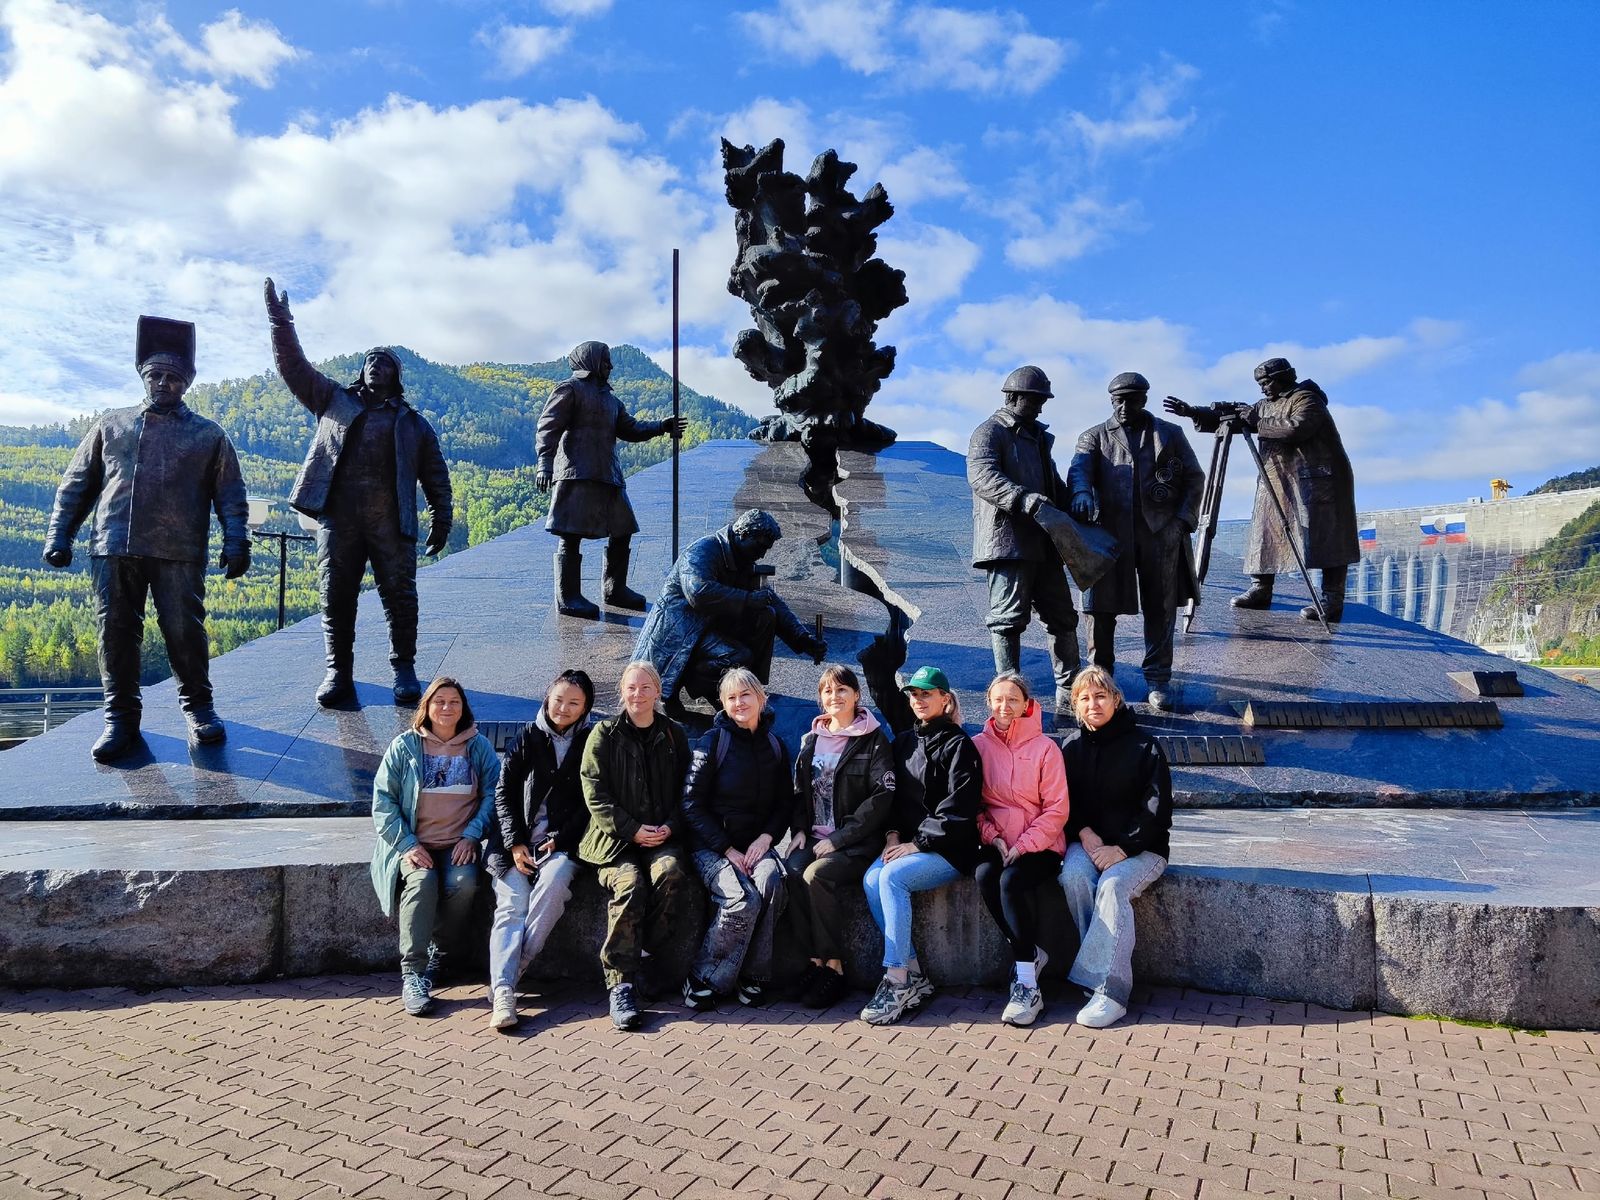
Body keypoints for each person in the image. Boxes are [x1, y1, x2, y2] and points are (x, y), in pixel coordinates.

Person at [43, 316, 249, 762]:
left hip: (179, 549)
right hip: (113, 544)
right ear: (143, 377)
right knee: (115, 634)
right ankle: (120, 718)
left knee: (184, 631)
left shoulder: (209, 435)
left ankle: (199, 708)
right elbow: (77, 483)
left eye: (172, 377)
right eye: (155, 375)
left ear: (186, 383)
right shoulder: (111, 424)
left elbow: (231, 494)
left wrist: (237, 541)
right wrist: (60, 533)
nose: (162, 383)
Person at [263, 278, 453, 707]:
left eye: (384, 363)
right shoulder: (333, 400)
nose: (375, 366)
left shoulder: (413, 424)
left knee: (400, 597)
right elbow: (293, 367)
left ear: (397, 376)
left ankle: (404, 668)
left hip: (391, 520)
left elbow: (436, 477)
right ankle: (338, 671)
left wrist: (442, 517)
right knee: (335, 595)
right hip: (340, 518)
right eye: (370, 361)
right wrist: (280, 322)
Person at [1163, 357, 1358, 621]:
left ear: (1285, 377)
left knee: (1326, 536)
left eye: (1267, 382)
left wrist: (1257, 419)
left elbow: (1296, 429)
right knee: (1265, 529)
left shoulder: (1307, 399)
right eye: (1260, 384)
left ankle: (1332, 600)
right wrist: (1192, 412)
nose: (1263, 388)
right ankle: (1261, 588)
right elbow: (1235, 418)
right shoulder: (1266, 404)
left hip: (1318, 479)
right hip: (1276, 478)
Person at [1068, 372, 1204, 711]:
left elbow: (1194, 477)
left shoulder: (1169, 433)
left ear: (1144, 399)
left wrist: (1181, 521)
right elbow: (1079, 470)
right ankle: (1100, 679)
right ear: (1111, 401)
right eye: (1119, 400)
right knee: (1099, 608)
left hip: (1159, 532)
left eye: (1131, 399)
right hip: (1109, 533)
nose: (1124, 406)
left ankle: (1158, 679)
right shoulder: (1094, 436)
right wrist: (1081, 492)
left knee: (1161, 607)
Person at [370, 677, 500, 1017]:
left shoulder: (478, 747)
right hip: (415, 845)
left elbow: (493, 794)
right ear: (426, 707)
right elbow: (383, 801)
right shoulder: (404, 746)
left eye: (454, 702)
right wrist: (407, 844)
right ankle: (413, 974)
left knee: (463, 884)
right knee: (422, 883)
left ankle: (439, 953)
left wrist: (472, 834)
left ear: (463, 707)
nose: (446, 708)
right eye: (439, 701)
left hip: (459, 845)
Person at [860, 666, 982, 1026]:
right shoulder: (903, 742)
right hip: (907, 846)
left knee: (891, 878)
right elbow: (893, 802)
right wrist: (893, 835)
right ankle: (914, 973)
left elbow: (959, 810)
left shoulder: (961, 746)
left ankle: (896, 980)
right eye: (914, 694)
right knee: (872, 880)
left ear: (945, 699)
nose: (918, 700)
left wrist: (918, 843)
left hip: (949, 850)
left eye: (926, 694)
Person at [578, 660, 695, 1031]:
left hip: (662, 836)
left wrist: (670, 826)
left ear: (658, 691)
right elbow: (594, 792)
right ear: (622, 692)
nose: (638, 694)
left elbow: (688, 791)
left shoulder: (674, 734)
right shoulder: (604, 733)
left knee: (672, 874)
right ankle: (621, 983)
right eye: (631, 687)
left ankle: (643, 952)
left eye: (646, 687)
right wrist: (631, 830)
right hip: (614, 841)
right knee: (629, 884)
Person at [535, 341, 688, 617]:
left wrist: (661, 427)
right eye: (605, 360)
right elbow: (548, 427)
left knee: (622, 529)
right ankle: (568, 596)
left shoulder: (611, 400)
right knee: (570, 535)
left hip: (608, 474)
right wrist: (544, 464)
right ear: (591, 361)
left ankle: (614, 588)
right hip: (576, 474)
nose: (610, 366)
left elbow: (630, 429)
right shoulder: (569, 389)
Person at [1058, 665, 1173, 1028]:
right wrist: (1084, 832)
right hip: (1089, 843)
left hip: (1142, 849)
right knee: (1074, 876)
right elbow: (1062, 802)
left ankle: (1112, 992)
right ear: (1076, 705)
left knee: (1111, 886)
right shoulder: (1071, 747)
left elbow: (1156, 810)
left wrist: (1121, 849)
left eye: (1100, 696)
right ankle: (1094, 975)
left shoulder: (1145, 747)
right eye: (1084, 698)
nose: (1093, 704)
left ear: (1116, 700)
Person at [483, 669, 597, 1031]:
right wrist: (516, 842)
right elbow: (504, 792)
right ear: (547, 698)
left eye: (574, 703)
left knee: (554, 886)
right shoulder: (527, 736)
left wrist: (560, 839)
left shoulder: (591, 741)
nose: (563, 708)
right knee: (512, 905)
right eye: (558, 699)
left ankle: (512, 970)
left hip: (562, 845)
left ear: (585, 708)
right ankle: (504, 993)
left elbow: (592, 802)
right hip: (514, 844)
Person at [968, 366, 1083, 710]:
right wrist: (1023, 498)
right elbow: (982, 475)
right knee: (1007, 621)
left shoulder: (1038, 438)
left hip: (1045, 543)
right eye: (1034, 400)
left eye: (1042, 401)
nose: (1039, 407)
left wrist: (1075, 503)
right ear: (1013, 397)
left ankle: (1070, 687)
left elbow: (1052, 484)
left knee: (1062, 616)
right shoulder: (989, 431)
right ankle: (1008, 693)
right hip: (1008, 543)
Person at [633, 508, 827, 712]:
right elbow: (698, 592)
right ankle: (698, 680)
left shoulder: (741, 557)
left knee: (766, 615)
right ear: (743, 535)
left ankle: (748, 688)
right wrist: (748, 599)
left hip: (710, 623)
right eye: (760, 546)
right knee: (738, 657)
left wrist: (803, 639)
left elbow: (772, 601)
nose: (762, 554)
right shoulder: (703, 550)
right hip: (684, 629)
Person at [680, 668, 793, 1011]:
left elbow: (784, 803)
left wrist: (766, 838)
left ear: (762, 698)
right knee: (743, 899)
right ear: (723, 704)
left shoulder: (776, 746)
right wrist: (726, 849)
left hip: (756, 845)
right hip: (711, 848)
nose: (739, 702)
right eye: (731, 697)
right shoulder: (713, 742)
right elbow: (690, 804)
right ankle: (704, 977)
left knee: (772, 882)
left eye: (746, 695)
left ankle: (753, 974)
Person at [788, 665, 896, 1009]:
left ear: (856, 695)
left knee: (816, 876)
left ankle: (834, 966)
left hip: (856, 844)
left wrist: (840, 839)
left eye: (841, 690)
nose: (834, 697)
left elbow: (881, 798)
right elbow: (799, 792)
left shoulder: (873, 739)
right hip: (814, 837)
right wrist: (799, 830)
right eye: (827, 691)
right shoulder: (811, 739)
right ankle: (813, 963)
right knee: (790, 872)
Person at [971, 671, 1070, 1027]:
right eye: (998, 699)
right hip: (999, 842)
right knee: (985, 874)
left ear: (1026, 704)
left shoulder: (1045, 748)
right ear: (989, 702)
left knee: (1010, 881)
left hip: (1042, 845)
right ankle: (1030, 952)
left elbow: (1056, 809)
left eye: (1013, 699)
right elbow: (975, 806)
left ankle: (1027, 984)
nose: (1005, 706)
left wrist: (1025, 844)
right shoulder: (978, 745)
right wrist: (992, 836)